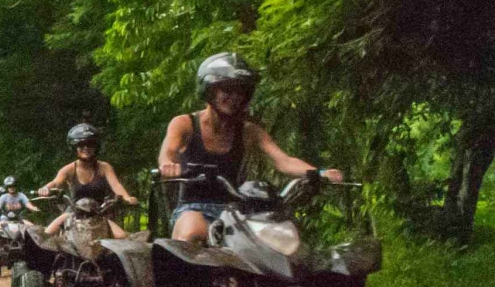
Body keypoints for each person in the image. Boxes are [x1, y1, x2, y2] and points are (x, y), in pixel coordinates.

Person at [158, 52, 343, 242]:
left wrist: (319, 173)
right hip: (193, 208)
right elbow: (169, 151)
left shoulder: (249, 131)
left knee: (275, 241)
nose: (234, 97)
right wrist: (168, 165)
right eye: (228, 90)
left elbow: (283, 160)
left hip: (235, 213)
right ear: (209, 90)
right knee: (193, 231)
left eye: (241, 91)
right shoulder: (185, 123)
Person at [38, 123, 137, 239]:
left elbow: (116, 185)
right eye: (81, 145)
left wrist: (127, 198)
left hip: (99, 214)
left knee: (123, 237)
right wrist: (46, 188)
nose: (86, 148)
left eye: (90, 144)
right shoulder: (69, 169)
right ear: (74, 147)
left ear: (96, 147)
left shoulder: (104, 167)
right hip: (73, 213)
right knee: (45, 235)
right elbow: (55, 182)